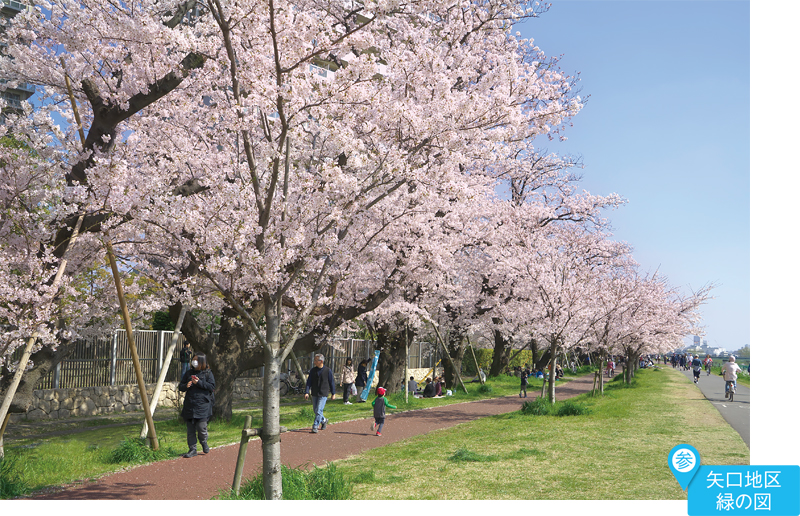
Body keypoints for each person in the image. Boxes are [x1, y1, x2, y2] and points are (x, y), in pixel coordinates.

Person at [178, 352, 215, 458]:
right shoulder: (189, 373)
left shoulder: (208, 373)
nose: (194, 362)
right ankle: (192, 449)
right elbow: (180, 386)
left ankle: (203, 442)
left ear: (202, 362)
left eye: (196, 360)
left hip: (202, 405)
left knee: (201, 428)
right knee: (190, 430)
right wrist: (186, 385)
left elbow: (211, 386)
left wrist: (199, 383)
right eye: (193, 359)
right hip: (190, 404)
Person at [304, 353, 336, 433]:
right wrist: (307, 392)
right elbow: (309, 382)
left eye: (315, 360)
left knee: (319, 410)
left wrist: (333, 393)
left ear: (321, 361)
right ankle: (324, 420)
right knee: (316, 410)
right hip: (315, 393)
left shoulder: (328, 371)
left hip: (323, 393)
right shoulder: (313, 370)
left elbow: (331, 382)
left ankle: (315, 426)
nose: (314, 362)